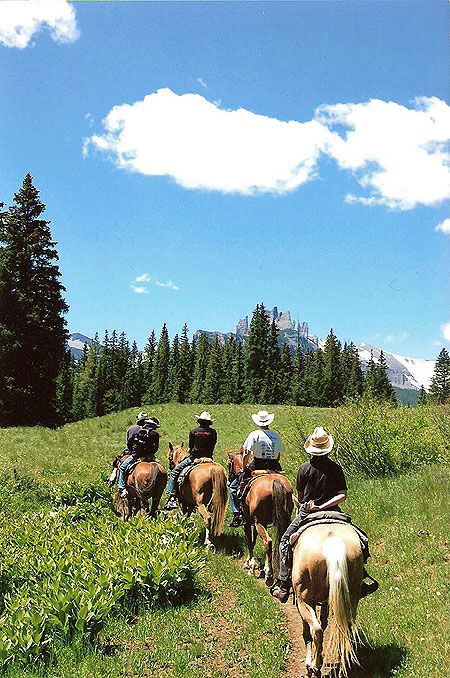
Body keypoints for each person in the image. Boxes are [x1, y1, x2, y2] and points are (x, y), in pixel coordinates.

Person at [270, 426, 379, 602]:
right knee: (362, 540)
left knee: (284, 541)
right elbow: (342, 495)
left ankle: (283, 583)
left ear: (311, 448)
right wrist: (324, 506)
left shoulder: (303, 469)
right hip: (334, 514)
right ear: (328, 448)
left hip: (308, 514)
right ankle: (361, 578)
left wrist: (309, 507)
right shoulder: (336, 468)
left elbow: (299, 497)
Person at [229, 410, 283, 527]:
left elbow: (246, 454)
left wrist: (244, 467)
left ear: (258, 422)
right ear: (269, 422)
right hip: (274, 466)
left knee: (233, 487)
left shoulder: (254, 435)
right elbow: (278, 456)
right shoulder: (276, 436)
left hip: (258, 465)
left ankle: (238, 514)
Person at [162, 411, 217, 510]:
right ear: (209, 423)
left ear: (199, 421)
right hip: (208, 458)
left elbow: (191, 447)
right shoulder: (213, 432)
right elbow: (213, 445)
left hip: (194, 458)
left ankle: (171, 498)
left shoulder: (194, 432)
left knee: (174, 473)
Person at [118, 416, 160, 498]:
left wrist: (133, 452)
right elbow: (156, 447)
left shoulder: (137, 432)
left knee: (122, 467)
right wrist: (151, 454)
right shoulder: (155, 434)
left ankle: (121, 487)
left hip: (137, 456)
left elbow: (130, 443)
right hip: (150, 457)